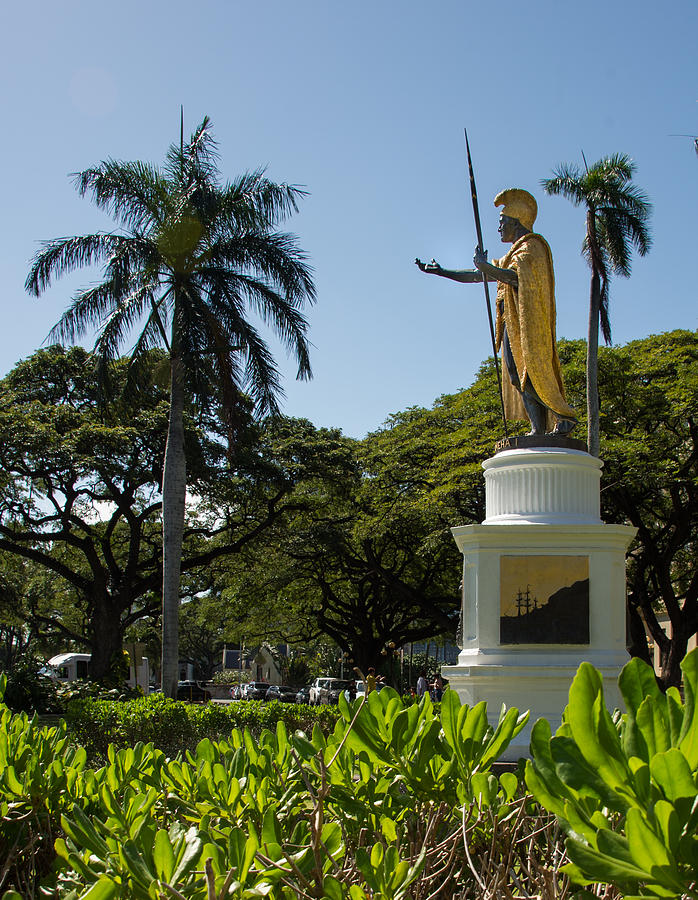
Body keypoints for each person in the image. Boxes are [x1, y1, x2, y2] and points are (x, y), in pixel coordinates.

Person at [416, 188, 576, 436]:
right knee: (516, 375)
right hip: (510, 327)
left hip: (528, 328)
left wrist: (485, 267)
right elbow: (477, 277)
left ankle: (563, 416)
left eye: (502, 222)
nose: (499, 228)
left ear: (517, 221)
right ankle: (538, 429)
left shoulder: (532, 247)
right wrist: (443, 272)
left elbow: (517, 278)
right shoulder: (511, 255)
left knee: (532, 370)